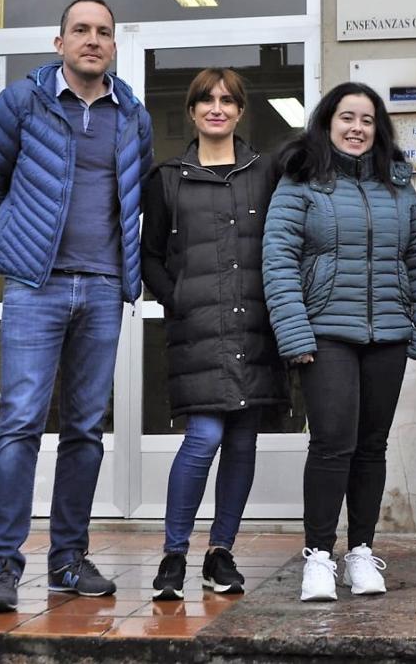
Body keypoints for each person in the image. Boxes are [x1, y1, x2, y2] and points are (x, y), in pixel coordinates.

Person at [0, 0, 154, 612]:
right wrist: (20, 250)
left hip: (104, 288)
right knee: (19, 422)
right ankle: (2, 565)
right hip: (36, 287)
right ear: (59, 42)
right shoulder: (21, 102)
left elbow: (136, 192)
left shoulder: (132, 113)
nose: (93, 40)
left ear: (113, 45)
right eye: (81, 30)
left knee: (84, 428)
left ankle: (68, 561)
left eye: (104, 31)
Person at [262, 82, 416, 602]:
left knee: (371, 447)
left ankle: (360, 552)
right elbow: (278, 260)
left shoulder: (397, 185)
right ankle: (318, 556)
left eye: (367, 119)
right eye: (347, 117)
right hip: (325, 332)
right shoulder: (300, 181)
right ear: (327, 122)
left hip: (386, 332)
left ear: (378, 128)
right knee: (332, 442)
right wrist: (294, 331)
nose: (357, 128)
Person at [143, 68, 288, 601]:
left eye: (228, 100)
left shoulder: (265, 173)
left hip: (254, 329)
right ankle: (174, 554)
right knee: (203, 438)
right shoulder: (166, 178)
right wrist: (177, 298)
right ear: (192, 111)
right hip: (198, 332)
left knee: (243, 442)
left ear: (241, 111)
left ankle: (220, 553)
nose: (217, 108)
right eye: (207, 100)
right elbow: (149, 256)